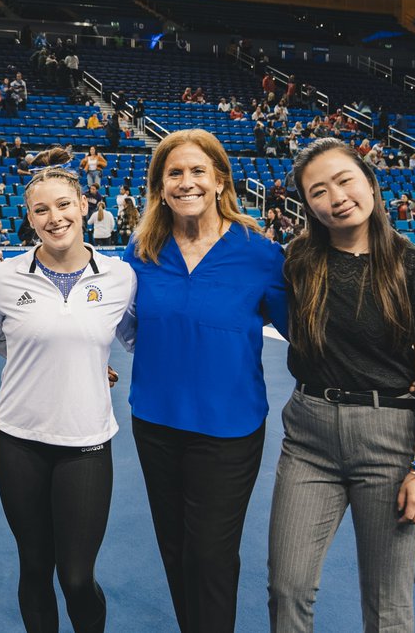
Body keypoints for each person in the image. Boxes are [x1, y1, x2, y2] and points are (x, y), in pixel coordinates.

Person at [268, 138, 415, 631]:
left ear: (370, 182)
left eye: (345, 180)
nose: (336, 197)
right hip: (308, 438)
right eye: (318, 191)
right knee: (287, 587)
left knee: (387, 602)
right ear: (307, 205)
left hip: (389, 442)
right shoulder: (299, 261)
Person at [123, 129, 288, 633]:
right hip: (155, 422)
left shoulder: (260, 254)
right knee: (174, 550)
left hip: (229, 430)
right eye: (175, 173)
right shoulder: (140, 251)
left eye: (198, 171)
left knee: (212, 555)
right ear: (160, 185)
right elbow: (110, 321)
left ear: (220, 180)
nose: (187, 182)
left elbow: (306, 333)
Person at [0, 147, 135, 633]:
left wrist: (91, 362)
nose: (55, 218)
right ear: (28, 217)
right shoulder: (5, 276)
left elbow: (135, 336)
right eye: (41, 210)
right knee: (34, 566)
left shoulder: (120, 276)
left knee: (75, 576)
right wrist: (46, 358)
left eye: (63, 205)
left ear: (83, 204)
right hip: (19, 441)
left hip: (86, 443)